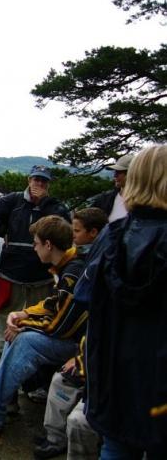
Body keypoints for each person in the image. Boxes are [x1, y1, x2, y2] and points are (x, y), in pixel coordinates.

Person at [0, 215, 87, 433]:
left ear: (48, 245)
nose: (34, 248)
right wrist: (23, 314)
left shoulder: (72, 274)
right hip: (78, 342)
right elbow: (53, 304)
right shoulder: (67, 266)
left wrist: (25, 325)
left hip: (82, 347)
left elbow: (61, 327)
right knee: (18, 335)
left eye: (37, 243)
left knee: (24, 340)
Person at [84, 144, 167, 459]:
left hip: (115, 377)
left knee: (116, 447)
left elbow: (85, 295)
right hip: (160, 385)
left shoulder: (111, 235)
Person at [34, 207, 108, 460]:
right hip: (86, 353)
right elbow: (57, 306)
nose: (74, 236)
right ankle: (54, 437)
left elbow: (62, 323)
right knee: (60, 380)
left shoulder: (75, 271)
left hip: (98, 366)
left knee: (80, 421)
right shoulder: (76, 268)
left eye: (78, 230)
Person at [0, 165, 71, 365]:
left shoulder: (53, 205)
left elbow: (66, 226)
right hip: (12, 268)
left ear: (48, 184)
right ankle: (0, 348)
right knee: (6, 310)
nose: (39, 184)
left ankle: (30, 351)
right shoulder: (14, 201)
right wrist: (5, 233)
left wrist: (45, 202)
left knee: (38, 313)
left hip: (41, 273)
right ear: (29, 180)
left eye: (43, 181)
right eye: (36, 179)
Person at [90, 153, 134, 222]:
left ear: (132, 174)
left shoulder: (145, 204)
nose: (115, 175)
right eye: (115, 172)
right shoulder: (103, 200)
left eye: (119, 172)